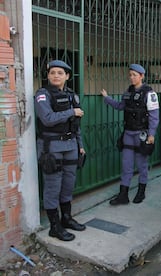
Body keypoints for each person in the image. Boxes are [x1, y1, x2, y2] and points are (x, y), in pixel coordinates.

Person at [35, 60, 86, 242]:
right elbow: (47, 119)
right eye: (52, 72)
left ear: (67, 76)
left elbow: (76, 124)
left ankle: (66, 218)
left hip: (71, 146)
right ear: (48, 75)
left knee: (68, 184)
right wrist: (71, 112)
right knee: (52, 186)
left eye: (60, 73)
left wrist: (80, 144)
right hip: (52, 147)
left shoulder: (72, 95)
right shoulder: (43, 94)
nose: (56, 75)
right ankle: (54, 227)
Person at [100, 64, 159, 206]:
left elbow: (154, 115)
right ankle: (123, 195)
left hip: (141, 134)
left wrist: (151, 134)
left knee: (141, 164)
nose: (132, 77)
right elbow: (121, 106)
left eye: (135, 75)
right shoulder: (127, 92)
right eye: (130, 74)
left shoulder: (149, 94)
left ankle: (141, 191)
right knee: (126, 165)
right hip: (128, 133)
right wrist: (107, 98)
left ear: (142, 76)